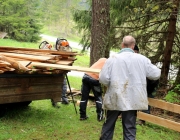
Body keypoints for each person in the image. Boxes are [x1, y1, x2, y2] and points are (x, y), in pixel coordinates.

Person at [99, 35, 161, 140]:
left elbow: (103, 78)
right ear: (133, 46)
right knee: (129, 127)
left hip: (115, 96)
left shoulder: (112, 59)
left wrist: (112, 85)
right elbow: (156, 74)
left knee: (108, 125)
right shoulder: (142, 59)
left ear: (122, 45)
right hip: (133, 99)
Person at [133, 45, 159, 125]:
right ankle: (134, 115)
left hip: (151, 82)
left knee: (147, 99)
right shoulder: (134, 59)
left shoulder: (140, 59)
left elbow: (152, 73)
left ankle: (142, 120)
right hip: (143, 83)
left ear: (136, 51)